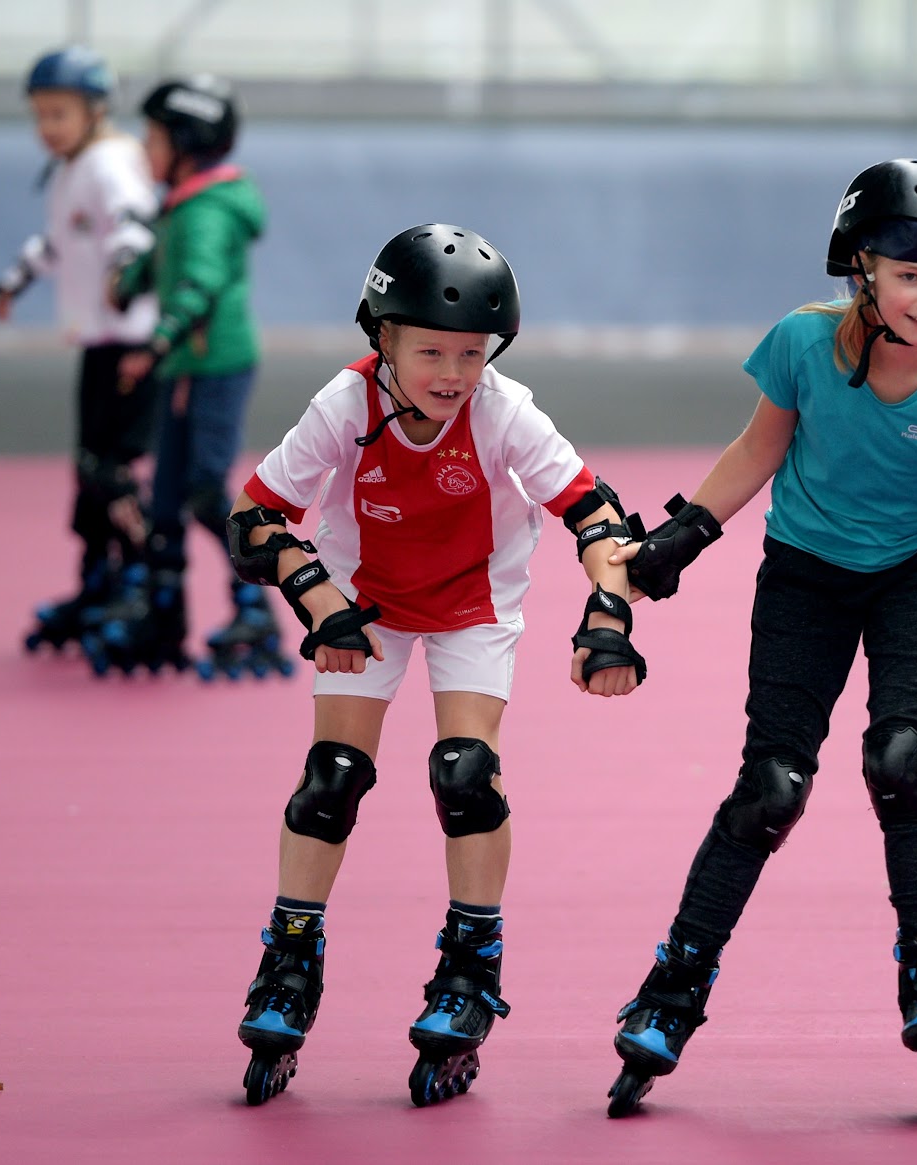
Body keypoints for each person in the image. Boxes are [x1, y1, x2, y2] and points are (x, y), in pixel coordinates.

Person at [601, 158, 917, 1117]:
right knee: (772, 786)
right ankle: (672, 986)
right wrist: (680, 537)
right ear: (862, 268)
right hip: (805, 570)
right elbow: (758, 447)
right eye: (912, 275)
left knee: (902, 756)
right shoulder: (802, 346)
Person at [224, 223, 648, 1107]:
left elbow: (596, 514)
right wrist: (315, 595)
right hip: (362, 603)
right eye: (430, 352)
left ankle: (470, 959)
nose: (453, 372)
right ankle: (290, 955)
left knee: (465, 774)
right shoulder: (342, 409)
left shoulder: (504, 410)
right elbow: (253, 518)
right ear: (380, 338)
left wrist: (606, 615)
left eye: (470, 351)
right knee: (330, 778)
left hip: (472, 605)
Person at [82, 74, 277, 678]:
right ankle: (164, 611)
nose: (145, 149)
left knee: (204, 491)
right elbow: (163, 262)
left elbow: (200, 283)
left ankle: (256, 608)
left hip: (214, 368)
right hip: (189, 367)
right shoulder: (183, 206)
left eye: (156, 137)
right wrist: (134, 276)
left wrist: (156, 343)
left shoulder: (207, 213)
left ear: (186, 145)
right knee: (165, 496)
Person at [0, 47, 160, 655]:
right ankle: (98, 583)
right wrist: (16, 279)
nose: (46, 129)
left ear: (95, 110)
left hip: (135, 341)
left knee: (112, 470)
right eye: (39, 116)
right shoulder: (73, 165)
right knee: (90, 471)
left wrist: (121, 269)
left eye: (58, 114)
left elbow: (136, 222)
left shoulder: (111, 162)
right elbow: (59, 241)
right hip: (102, 343)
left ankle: (144, 585)